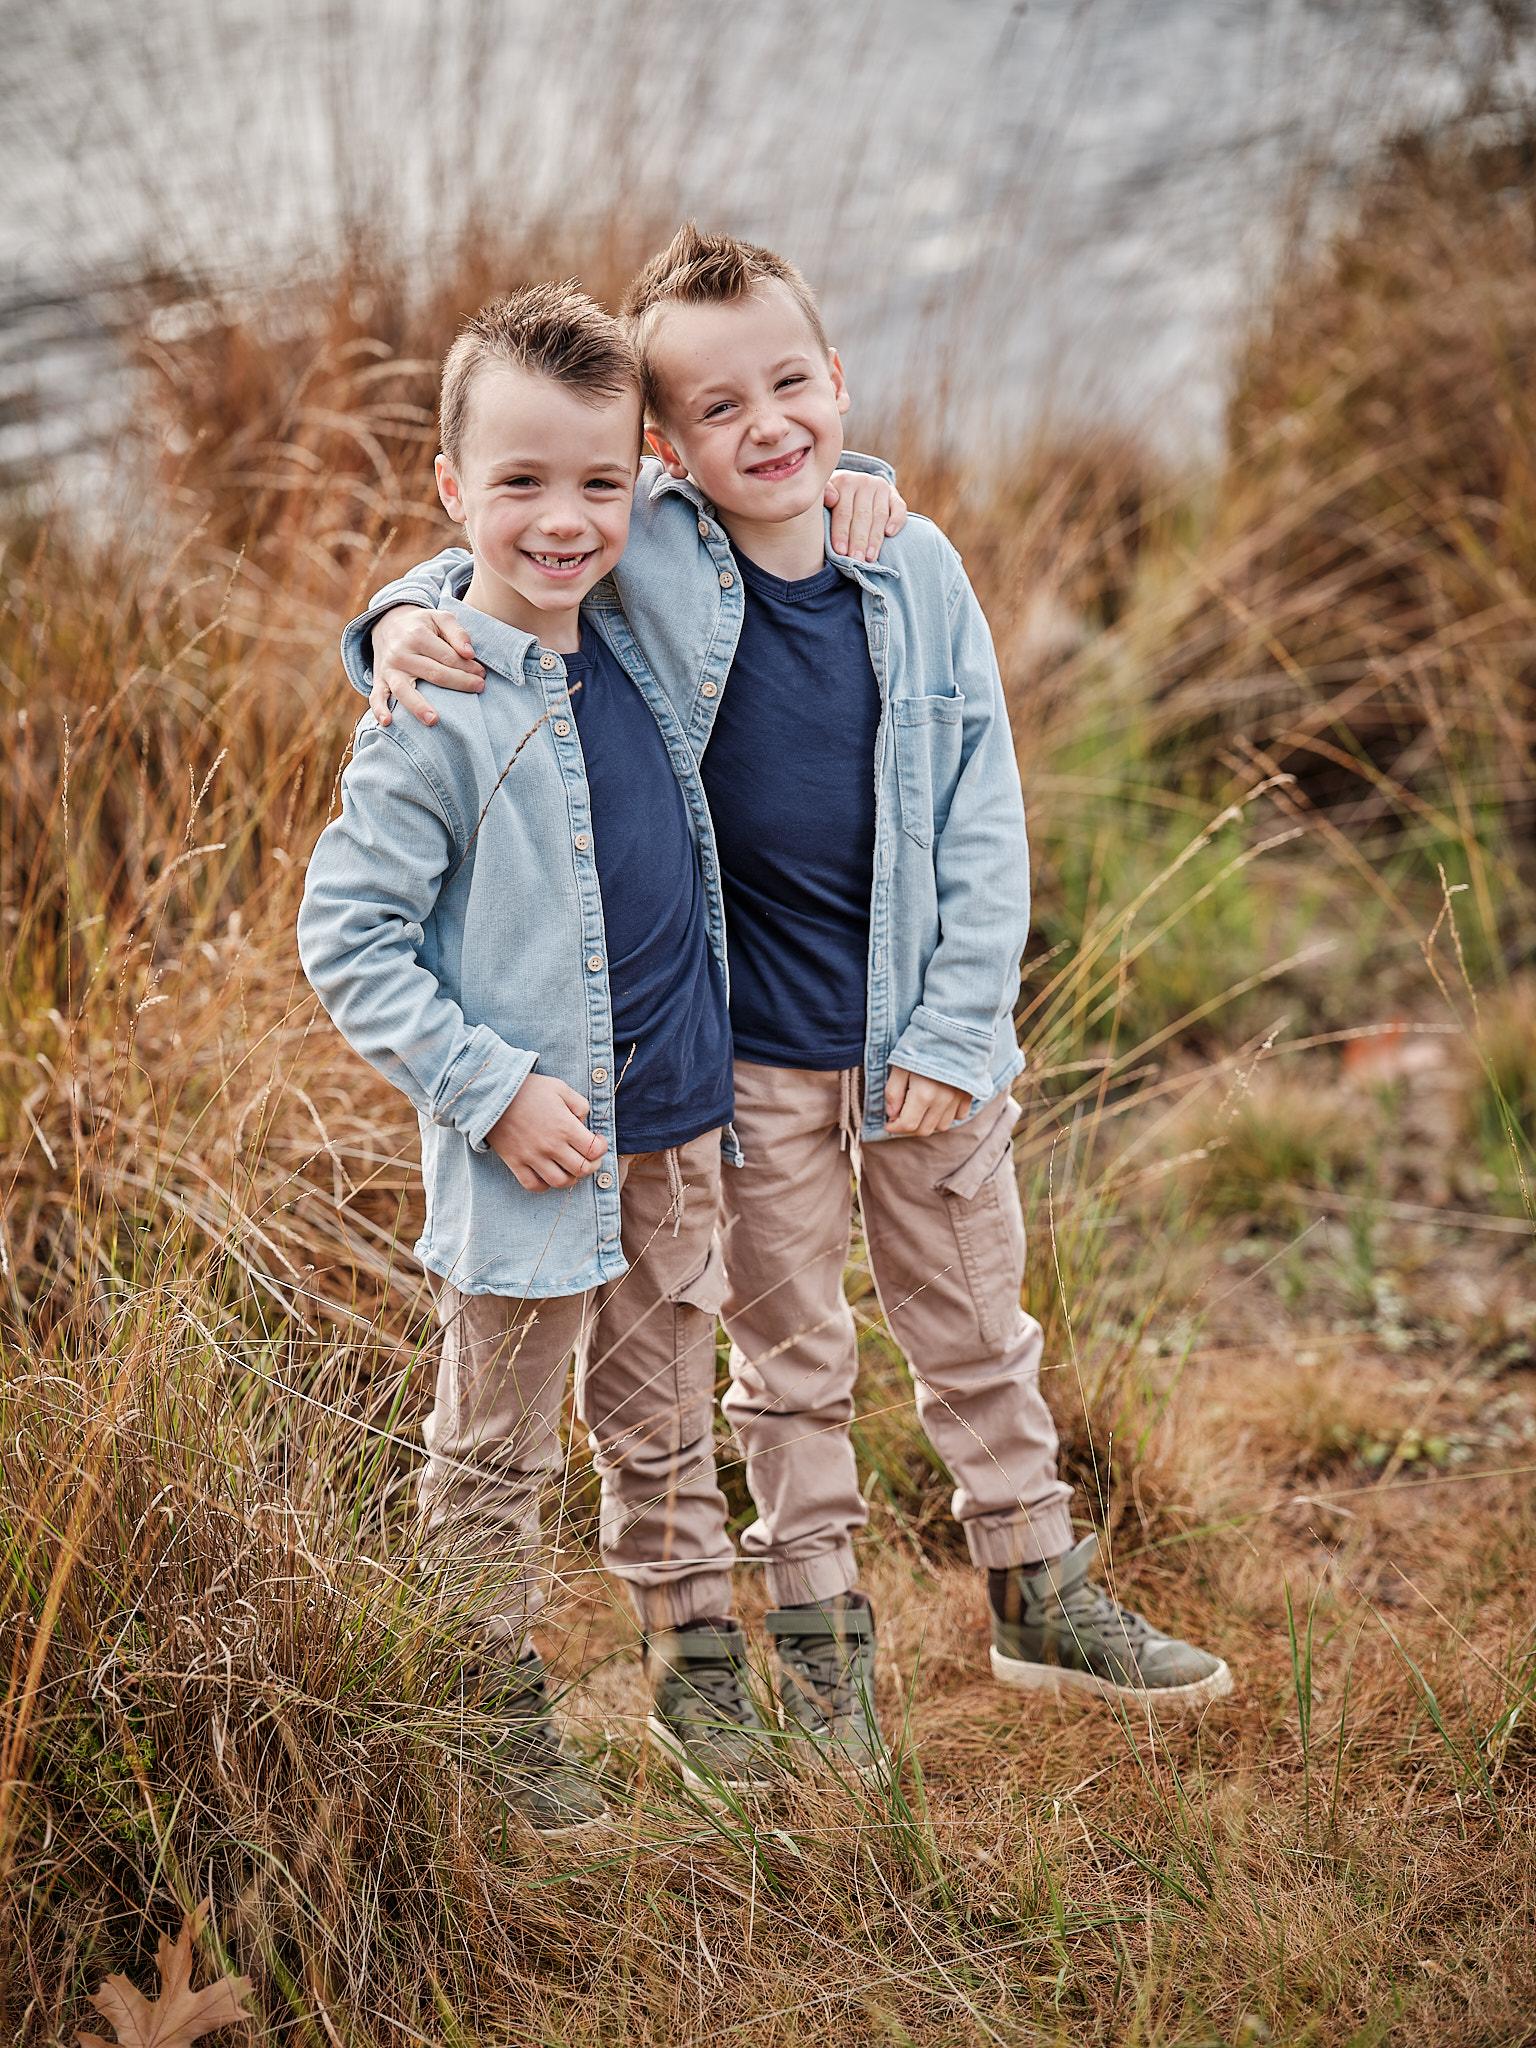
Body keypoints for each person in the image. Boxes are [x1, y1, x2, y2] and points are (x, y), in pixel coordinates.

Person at [345, 228, 1232, 1775]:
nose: (765, 427)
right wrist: (389, 621)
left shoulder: (914, 564)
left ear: (837, 381)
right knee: (789, 1362)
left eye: (793, 386)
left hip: (916, 1041)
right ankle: (821, 1645)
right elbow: (515, 549)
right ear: (669, 452)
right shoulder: (653, 564)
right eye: (714, 410)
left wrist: (961, 1028)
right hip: (746, 1061)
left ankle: (1039, 1580)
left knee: (977, 1328)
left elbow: (982, 816)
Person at [300, 280, 906, 1825]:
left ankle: (695, 1668)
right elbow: (348, 942)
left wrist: (865, 483)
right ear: (452, 492)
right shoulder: (432, 708)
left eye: (594, 483)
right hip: (532, 1150)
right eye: (518, 484)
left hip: (680, 1119)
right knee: (493, 1446)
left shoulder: (637, 627)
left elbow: (755, 498)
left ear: (638, 474)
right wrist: (491, 1091)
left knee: (662, 1411)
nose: (562, 522)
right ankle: (475, 1703)